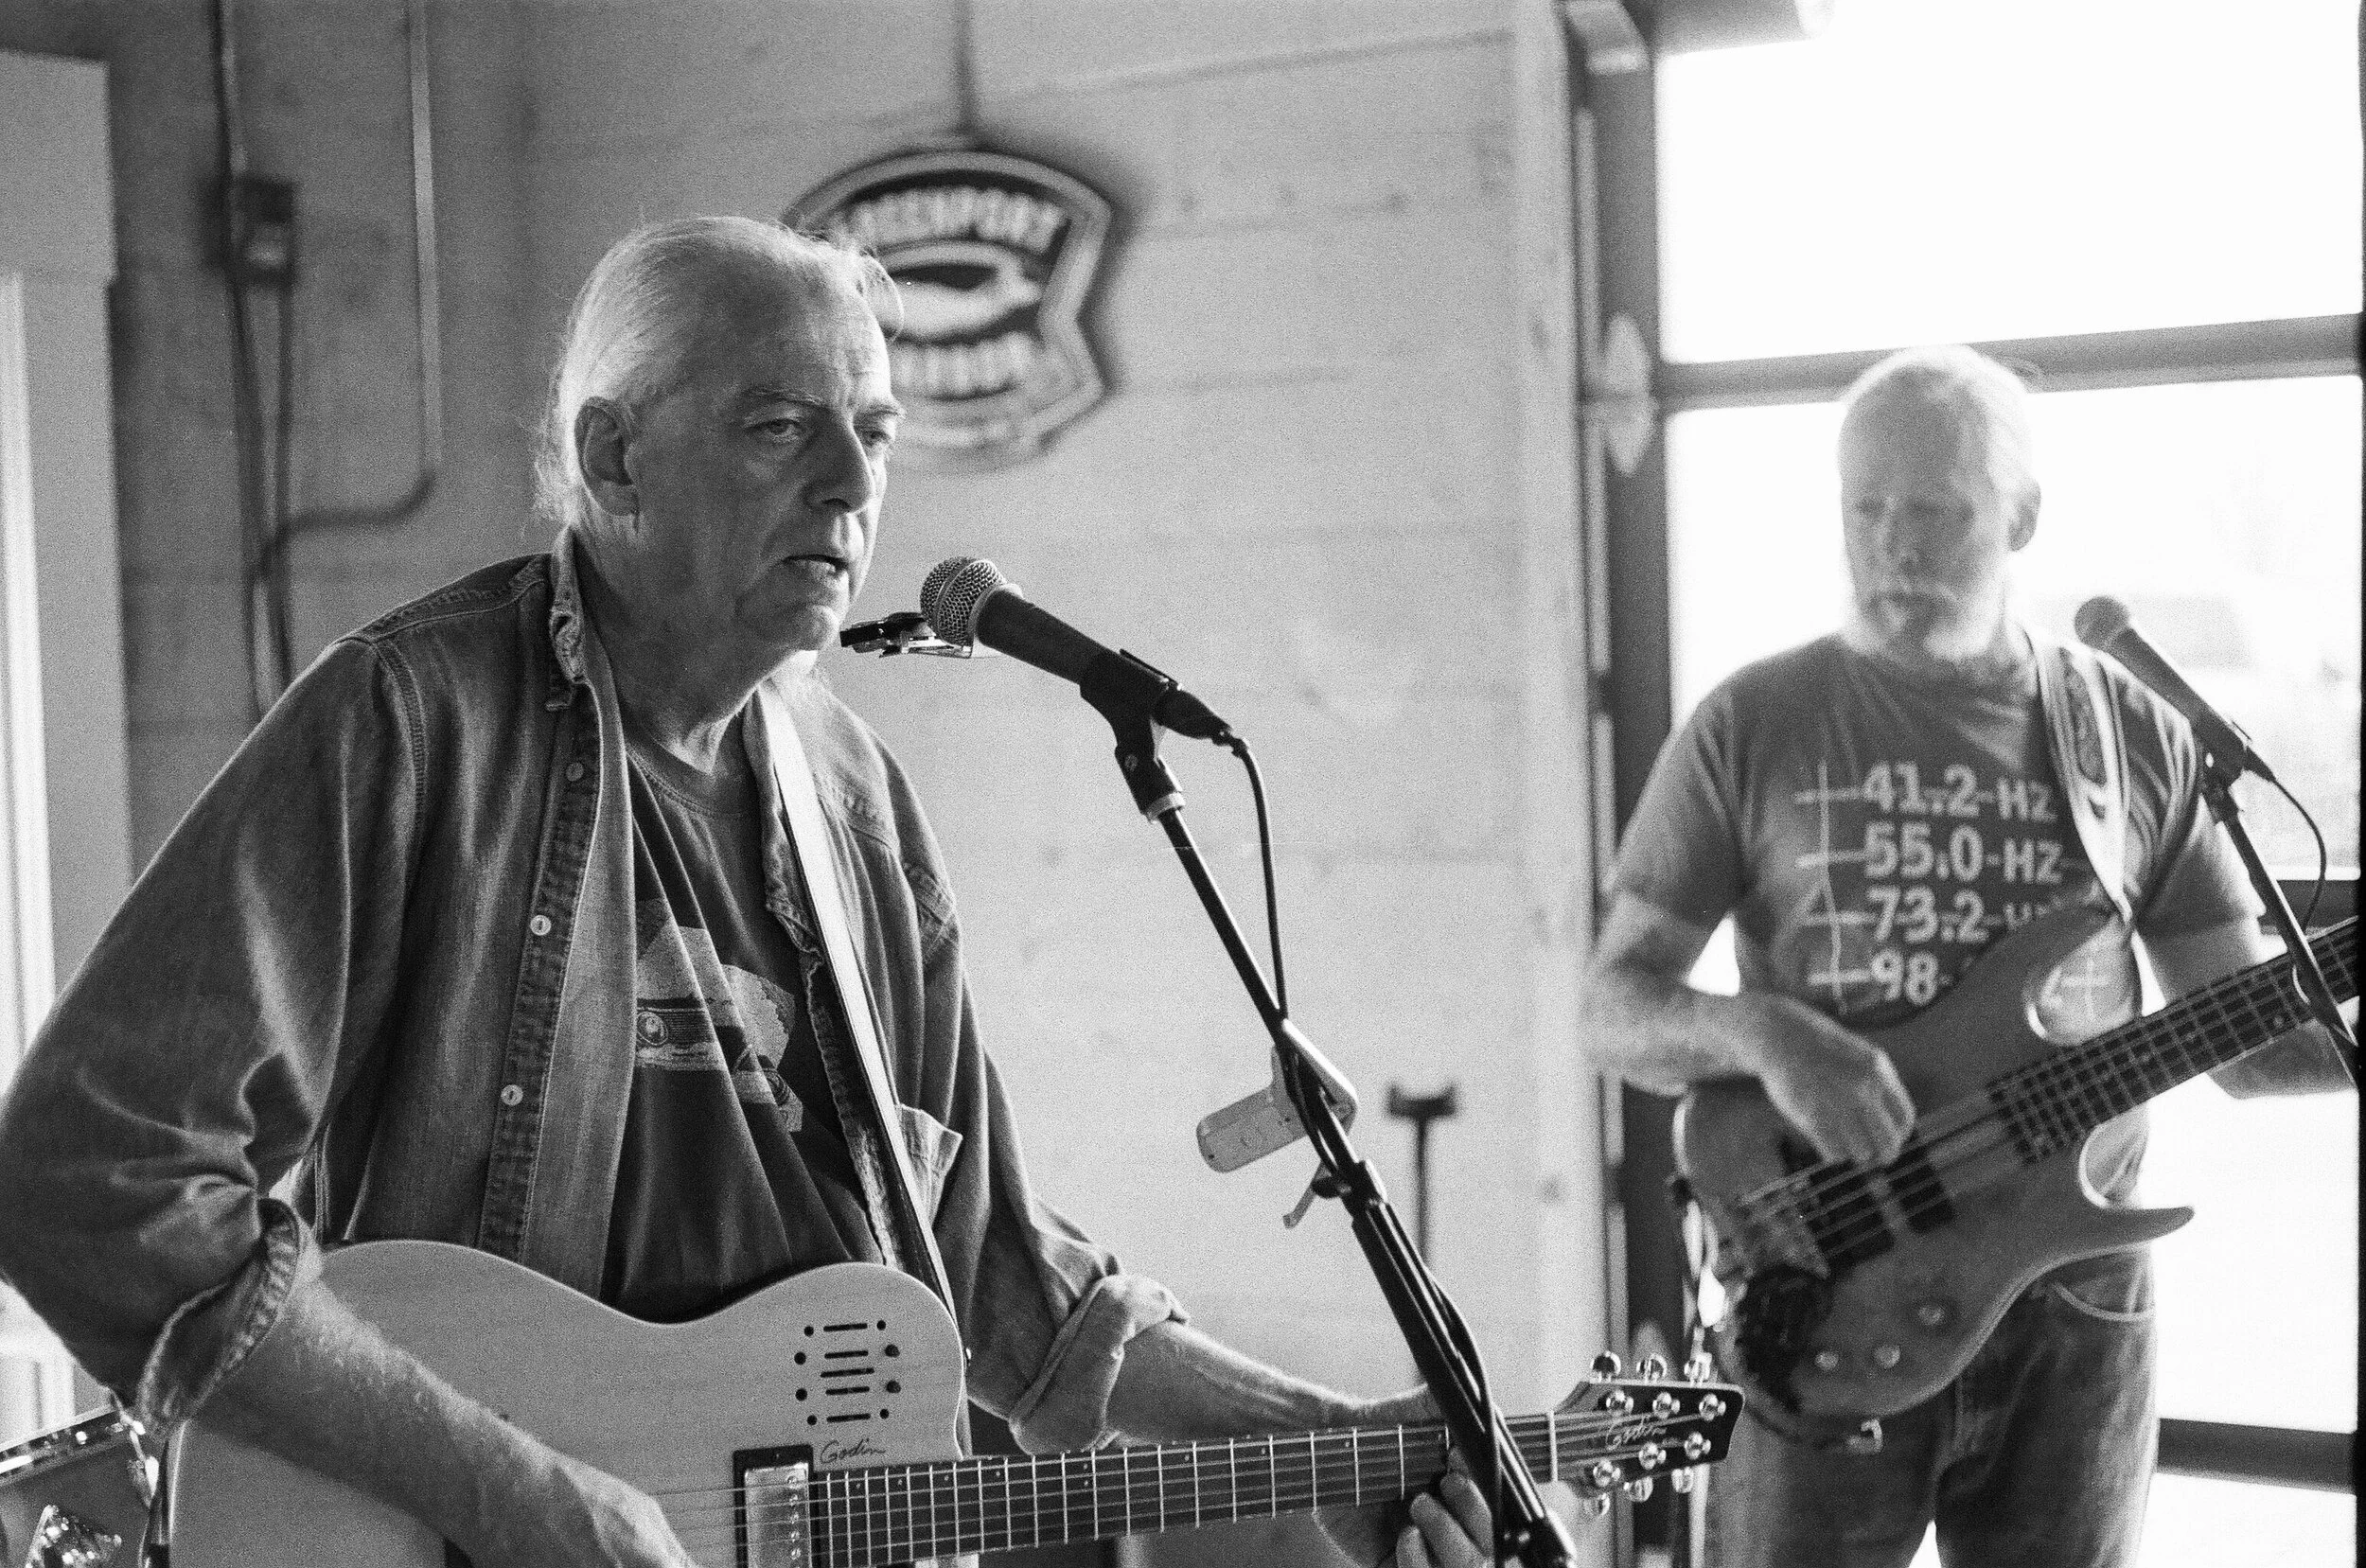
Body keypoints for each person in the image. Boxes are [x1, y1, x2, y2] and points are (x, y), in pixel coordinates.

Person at [0, 217, 1494, 1568]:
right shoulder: (407, 726)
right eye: (781, 429)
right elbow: (92, 1176)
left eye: (875, 433)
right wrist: (510, 1492)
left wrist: (1324, 1439)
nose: (852, 487)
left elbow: (986, 1272)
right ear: (615, 463)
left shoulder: (855, 802)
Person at [1576, 344, 2352, 1568]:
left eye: (1935, 512)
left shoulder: (2129, 737)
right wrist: (1763, 1034)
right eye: (1864, 511)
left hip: (2074, 1311)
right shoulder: (1751, 725)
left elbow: (2253, 1045)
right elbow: (1611, 1011)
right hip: (1830, 1285)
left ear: (2023, 516)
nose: (1894, 547)